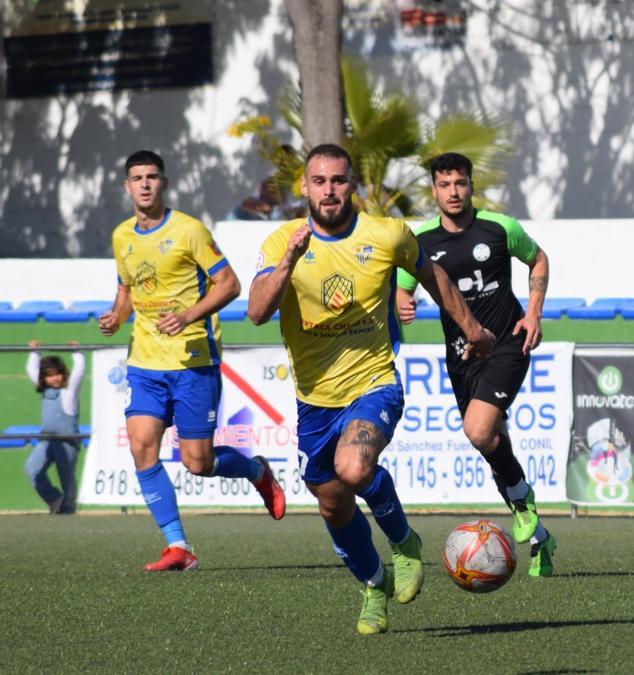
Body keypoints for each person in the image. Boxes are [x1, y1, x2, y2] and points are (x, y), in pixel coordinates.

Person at [248, 144, 494, 635]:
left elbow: (435, 276)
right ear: (305, 187)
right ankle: (373, 582)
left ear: (352, 184)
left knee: (354, 466)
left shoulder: (386, 234)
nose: (329, 190)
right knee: (331, 502)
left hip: (375, 381)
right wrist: (289, 262)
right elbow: (256, 311)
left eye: (338, 180)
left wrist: (472, 328)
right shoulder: (282, 242)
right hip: (314, 401)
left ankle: (404, 543)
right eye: (319, 181)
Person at [99, 150, 286, 573]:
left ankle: (257, 471)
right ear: (126, 187)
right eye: (136, 178)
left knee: (197, 463)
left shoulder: (190, 231)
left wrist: (187, 315)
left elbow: (230, 284)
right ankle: (178, 546)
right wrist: (117, 314)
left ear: (163, 183)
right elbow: (127, 290)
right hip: (146, 362)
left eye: (152, 177)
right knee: (142, 446)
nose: (144, 184)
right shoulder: (121, 237)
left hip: (194, 361)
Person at [394, 152, 557, 576]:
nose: (453, 191)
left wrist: (534, 312)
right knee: (491, 444)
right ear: (434, 190)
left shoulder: (500, 228)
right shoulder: (422, 241)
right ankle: (539, 536)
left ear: (470, 186)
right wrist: (403, 302)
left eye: (460, 183)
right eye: (445, 184)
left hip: (507, 343)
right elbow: (403, 286)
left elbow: (538, 260)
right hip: (460, 356)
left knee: (478, 430)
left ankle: (523, 504)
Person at [24, 340, 84, 514]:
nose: (54, 378)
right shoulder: (45, 391)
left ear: (63, 374)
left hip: (67, 442)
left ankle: (68, 508)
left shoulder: (69, 392)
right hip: (47, 440)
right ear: (44, 378)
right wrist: (35, 352)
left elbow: (79, 373)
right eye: (49, 375)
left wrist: (77, 352)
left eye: (58, 374)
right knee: (32, 469)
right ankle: (54, 499)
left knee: (67, 477)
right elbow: (32, 370)